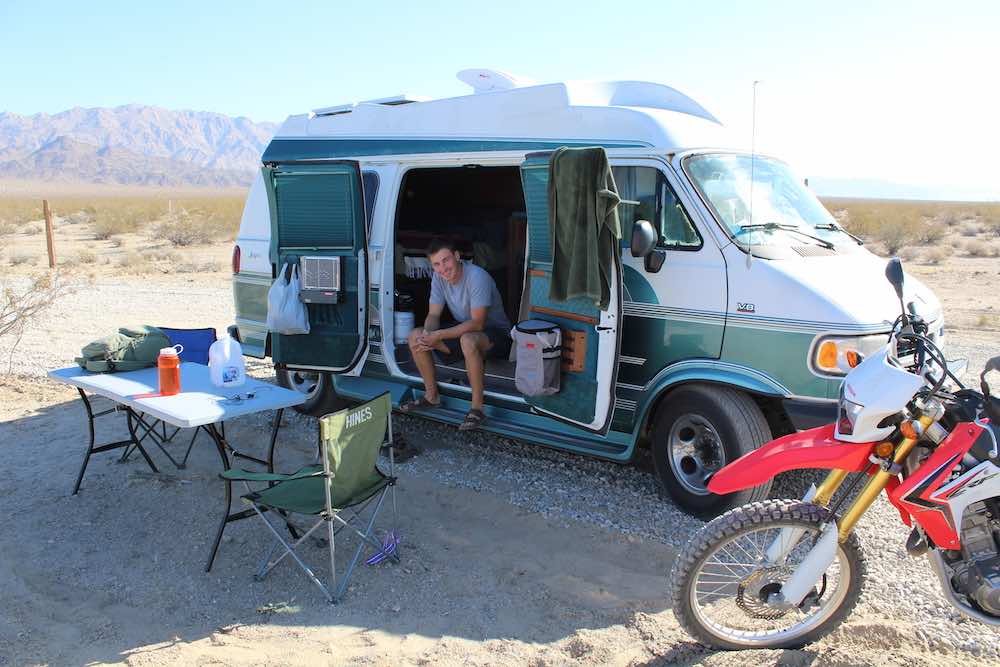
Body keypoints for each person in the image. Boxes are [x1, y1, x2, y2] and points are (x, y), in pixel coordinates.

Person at [400, 239, 511, 430]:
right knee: (415, 336)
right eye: (436, 264)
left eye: (446, 260)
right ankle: (431, 396)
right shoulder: (438, 278)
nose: (443, 268)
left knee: (467, 340)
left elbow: (478, 323)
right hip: (464, 329)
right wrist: (427, 334)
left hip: (496, 334)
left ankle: (477, 409)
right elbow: (433, 315)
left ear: (457, 256)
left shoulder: (477, 276)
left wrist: (439, 336)